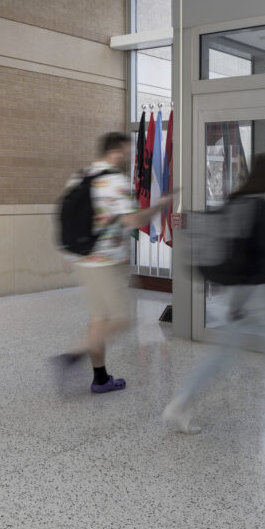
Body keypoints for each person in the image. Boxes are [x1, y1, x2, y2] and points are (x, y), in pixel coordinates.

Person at [161, 153, 265, 438]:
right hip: (260, 294)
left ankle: (180, 402)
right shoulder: (261, 210)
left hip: (234, 293)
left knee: (221, 354)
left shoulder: (235, 201)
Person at [55, 132, 171, 394]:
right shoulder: (114, 181)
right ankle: (72, 356)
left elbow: (67, 216)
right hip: (107, 262)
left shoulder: (81, 176)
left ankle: (100, 378)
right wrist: (158, 206)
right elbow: (133, 221)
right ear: (116, 152)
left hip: (85, 259)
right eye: (128, 152)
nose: (130, 158)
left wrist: (68, 252)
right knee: (124, 318)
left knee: (99, 318)